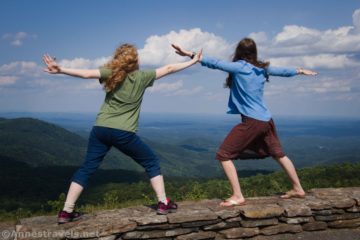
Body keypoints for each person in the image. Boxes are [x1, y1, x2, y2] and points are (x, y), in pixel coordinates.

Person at [43, 43, 202, 223]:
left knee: (87, 168)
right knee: (151, 161)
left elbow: (86, 74)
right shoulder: (142, 77)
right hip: (123, 132)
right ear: (135, 61)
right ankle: (163, 202)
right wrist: (193, 60)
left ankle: (66, 211)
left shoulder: (111, 73)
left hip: (100, 129)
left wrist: (60, 69)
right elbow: (170, 67)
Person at [172, 38, 317, 207]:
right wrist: (299, 70)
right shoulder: (262, 69)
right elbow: (283, 71)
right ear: (254, 52)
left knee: (224, 154)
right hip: (266, 120)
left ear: (238, 52)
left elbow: (216, 63)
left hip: (253, 121)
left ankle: (238, 195)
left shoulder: (240, 67)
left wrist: (190, 54)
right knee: (279, 154)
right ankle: (298, 188)